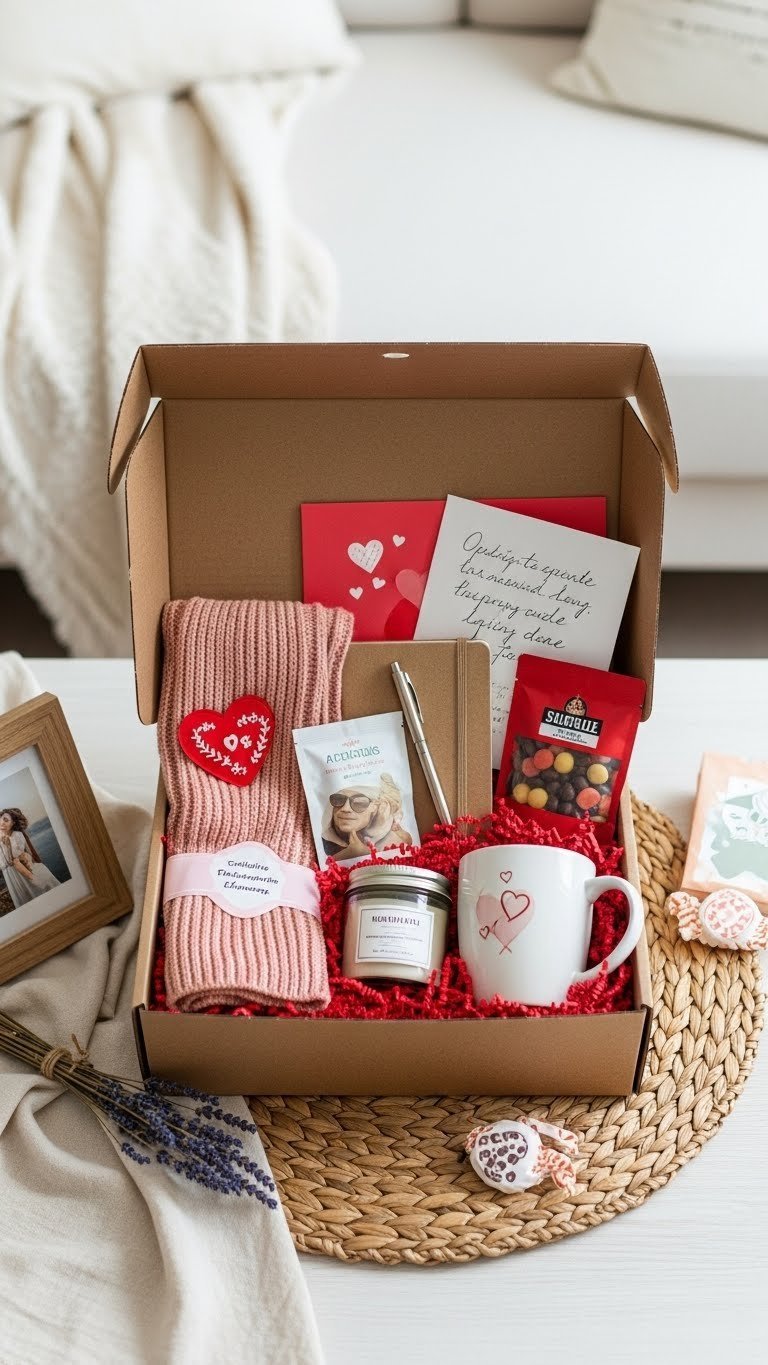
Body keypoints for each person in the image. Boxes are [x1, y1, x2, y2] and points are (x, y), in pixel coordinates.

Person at [321, 773, 414, 862]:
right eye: (338, 800)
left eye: (359, 803)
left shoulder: (396, 845)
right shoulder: (325, 843)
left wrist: (362, 854)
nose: (345, 809)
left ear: (378, 806)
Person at [0, 807, 60, 908]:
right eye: (1, 819)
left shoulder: (16, 836)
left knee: (41, 900)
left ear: (13, 823)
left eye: (6, 820)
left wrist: (8, 845)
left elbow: (14, 860)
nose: (2, 822)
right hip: (11, 875)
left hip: (21, 872)